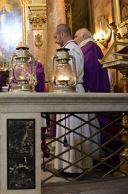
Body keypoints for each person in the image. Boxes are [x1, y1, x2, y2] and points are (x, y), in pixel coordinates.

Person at [52, 24, 99, 177]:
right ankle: (65, 164)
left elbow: (66, 74)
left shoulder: (70, 50)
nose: (55, 40)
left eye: (55, 37)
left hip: (70, 91)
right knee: (68, 128)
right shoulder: (74, 48)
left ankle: (72, 167)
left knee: (71, 128)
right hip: (69, 90)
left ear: (63, 34)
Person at [74, 28, 110, 93]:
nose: (74, 39)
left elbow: (89, 67)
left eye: (76, 36)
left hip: (91, 87)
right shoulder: (89, 46)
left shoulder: (90, 47)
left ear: (83, 37)